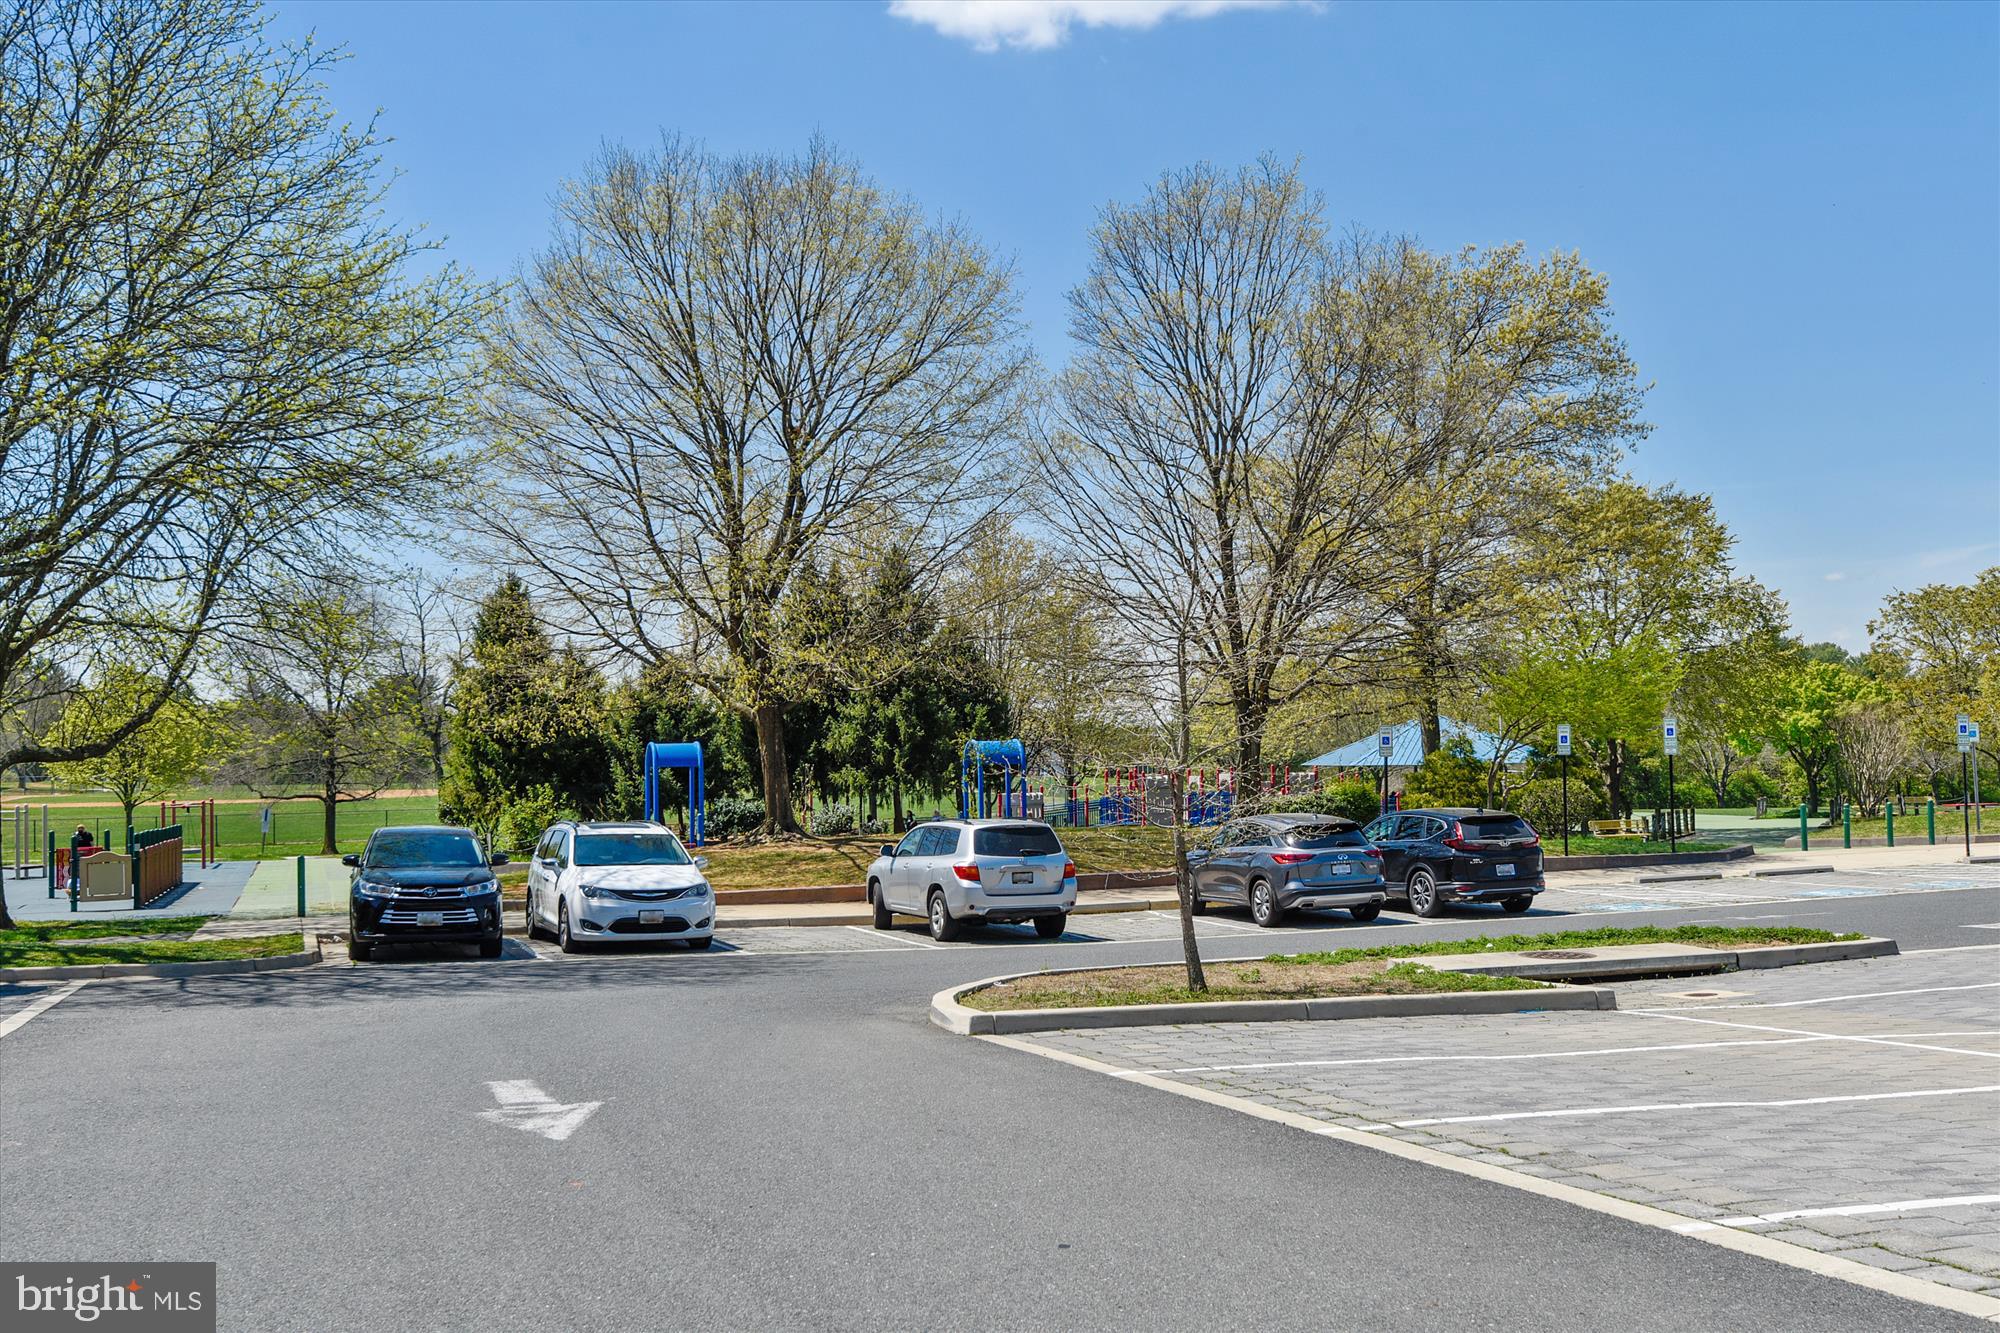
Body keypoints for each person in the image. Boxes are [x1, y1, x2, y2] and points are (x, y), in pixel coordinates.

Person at [68, 825, 95, 894]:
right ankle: (78, 881)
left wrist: (93, 850)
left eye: (82, 828)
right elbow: (73, 844)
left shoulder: (88, 834)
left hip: (87, 852)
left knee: (87, 865)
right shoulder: (75, 835)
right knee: (77, 866)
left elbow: (92, 843)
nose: (80, 829)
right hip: (78, 853)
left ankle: (88, 879)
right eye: (79, 828)